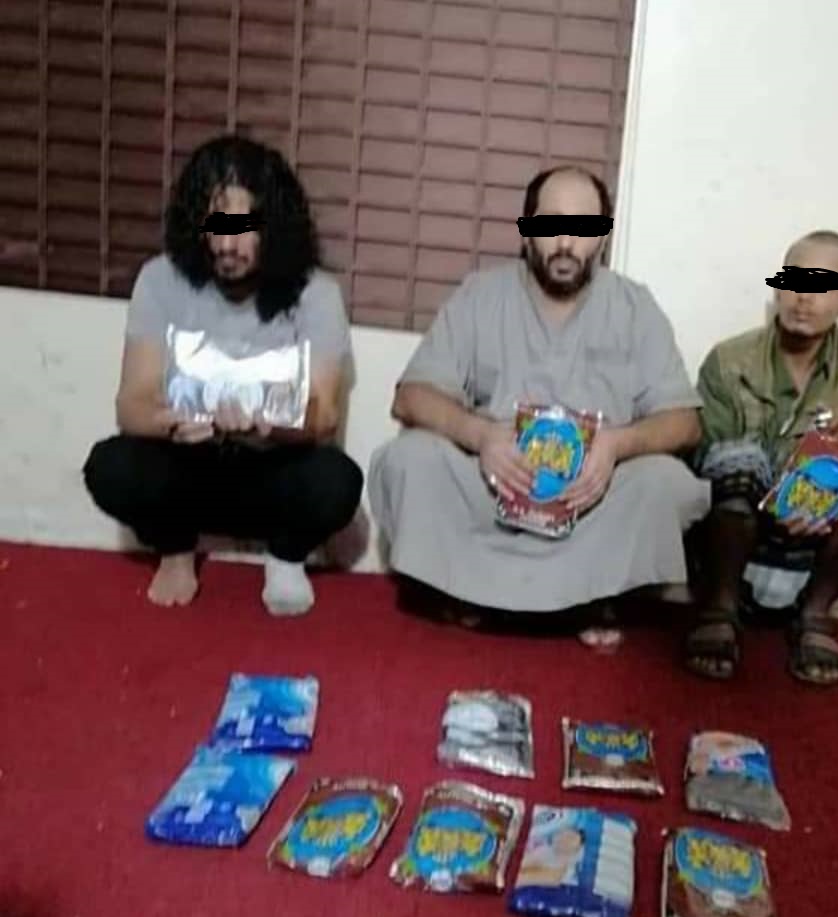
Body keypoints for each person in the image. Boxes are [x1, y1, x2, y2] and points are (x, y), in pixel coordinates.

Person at [368, 165, 709, 648]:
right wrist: (482, 437)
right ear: (527, 231)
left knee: (666, 481)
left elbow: (685, 422)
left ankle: (570, 595)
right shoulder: (481, 294)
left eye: (583, 228)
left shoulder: (635, 306)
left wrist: (616, 445)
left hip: (590, 498)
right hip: (495, 484)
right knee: (409, 457)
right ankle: (514, 595)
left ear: (603, 236)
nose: (566, 242)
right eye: (551, 225)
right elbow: (411, 396)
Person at [83, 135, 363, 616]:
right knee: (110, 466)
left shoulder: (316, 294)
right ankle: (174, 550)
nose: (227, 245)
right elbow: (132, 405)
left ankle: (286, 556)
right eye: (216, 225)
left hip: (272, 472)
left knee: (337, 481)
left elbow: (323, 416)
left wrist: (266, 426)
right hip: (188, 471)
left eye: (244, 228)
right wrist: (175, 422)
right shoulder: (161, 279)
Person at [685, 230, 838, 685]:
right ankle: (720, 608)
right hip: (736, 515)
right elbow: (704, 457)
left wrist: (826, 485)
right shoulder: (728, 360)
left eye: (823, 285)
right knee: (737, 460)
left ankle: (815, 613)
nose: (804, 296)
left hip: (816, 520)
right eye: (794, 280)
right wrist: (782, 495)